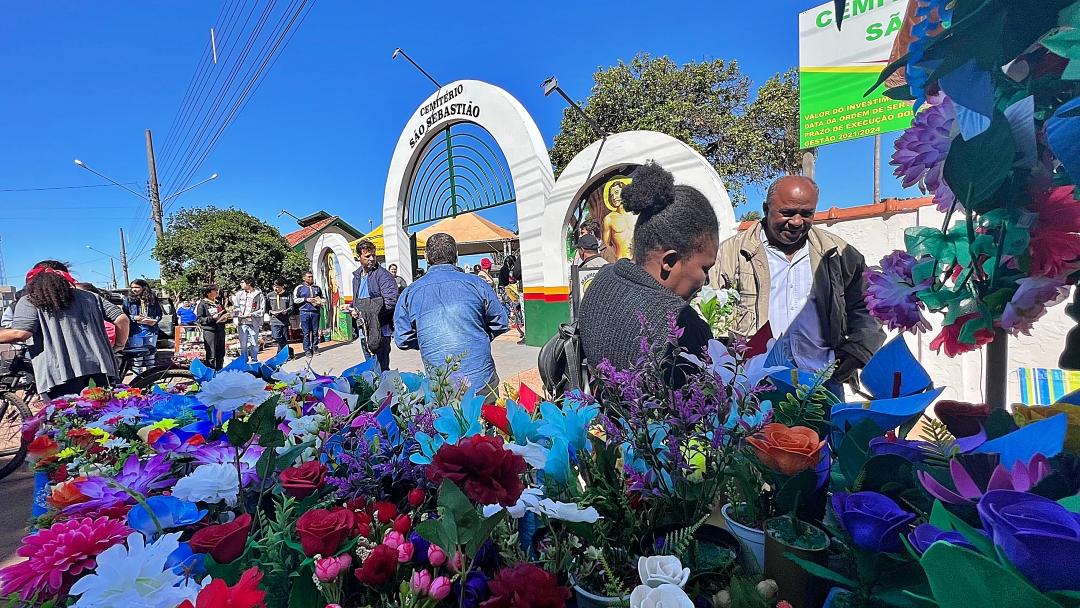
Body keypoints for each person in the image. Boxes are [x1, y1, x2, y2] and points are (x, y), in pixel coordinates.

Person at [711, 175, 886, 397]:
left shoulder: (838, 253)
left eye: (806, 214)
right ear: (766, 208)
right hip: (755, 385)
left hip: (822, 382)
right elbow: (708, 312)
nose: (796, 222)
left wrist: (858, 351)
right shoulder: (730, 254)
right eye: (787, 212)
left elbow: (869, 306)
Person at [578, 162, 716, 379]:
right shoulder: (684, 327)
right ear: (669, 261)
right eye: (705, 268)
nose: (704, 281)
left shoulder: (602, 279)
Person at [395, 233, 508, 401]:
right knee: (490, 425)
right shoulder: (477, 284)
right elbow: (501, 322)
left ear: (426, 257)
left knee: (446, 426)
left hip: (441, 388)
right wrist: (477, 335)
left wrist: (430, 340)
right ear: (456, 255)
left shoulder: (409, 293)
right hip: (482, 381)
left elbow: (402, 339)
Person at [0, 261, 131, 399]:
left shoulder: (31, 300)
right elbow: (122, 319)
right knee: (102, 415)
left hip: (59, 374)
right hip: (100, 368)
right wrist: (119, 345)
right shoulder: (90, 296)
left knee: (66, 418)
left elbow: (21, 333)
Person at [351, 240, 399, 371]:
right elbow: (358, 300)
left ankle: (387, 391)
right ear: (358, 257)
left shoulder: (384, 275)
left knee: (382, 369)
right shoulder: (356, 277)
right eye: (367, 256)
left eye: (373, 255)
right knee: (371, 369)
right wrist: (352, 308)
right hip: (364, 330)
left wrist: (364, 311)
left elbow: (390, 301)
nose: (371, 259)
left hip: (381, 330)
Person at [123, 278, 163, 370]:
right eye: (132, 287)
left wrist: (154, 321)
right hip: (135, 332)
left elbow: (159, 314)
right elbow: (124, 316)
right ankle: (137, 381)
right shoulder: (127, 300)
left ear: (144, 287)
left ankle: (150, 380)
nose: (134, 290)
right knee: (137, 360)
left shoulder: (153, 299)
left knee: (150, 358)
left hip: (151, 331)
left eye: (137, 287)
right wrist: (134, 317)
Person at [195, 284, 229, 370]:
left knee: (220, 353)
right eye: (215, 290)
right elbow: (200, 319)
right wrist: (211, 318)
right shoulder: (202, 304)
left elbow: (223, 313)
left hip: (220, 330)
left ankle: (220, 371)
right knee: (211, 354)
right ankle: (211, 373)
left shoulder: (218, 302)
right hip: (210, 331)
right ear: (208, 293)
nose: (217, 292)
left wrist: (225, 318)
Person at [232, 277, 264, 363]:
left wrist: (253, 314)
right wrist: (238, 313)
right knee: (243, 344)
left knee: (254, 343)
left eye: (243, 282)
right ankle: (244, 360)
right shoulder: (239, 294)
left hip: (254, 323)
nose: (241, 284)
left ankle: (254, 360)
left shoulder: (259, 294)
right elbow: (236, 307)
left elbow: (262, 309)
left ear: (249, 283)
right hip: (242, 323)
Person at [292, 271, 324, 358]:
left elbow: (323, 299)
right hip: (304, 312)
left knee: (315, 332)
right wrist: (306, 299)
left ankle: (315, 348)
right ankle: (307, 350)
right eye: (309, 277)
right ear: (304, 278)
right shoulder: (299, 288)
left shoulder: (317, 288)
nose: (310, 278)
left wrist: (319, 302)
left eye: (311, 277)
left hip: (315, 312)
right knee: (306, 332)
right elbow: (295, 300)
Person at [603, 179, 636, 260]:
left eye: (617, 193)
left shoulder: (637, 215)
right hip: (620, 261)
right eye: (611, 195)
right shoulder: (609, 219)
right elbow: (606, 246)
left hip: (638, 262)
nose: (614, 197)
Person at [267, 279, 294, 356]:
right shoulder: (270, 295)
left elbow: (291, 307)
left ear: (282, 287)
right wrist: (271, 312)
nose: (276, 289)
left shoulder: (288, 295)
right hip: (274, 320)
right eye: (274, 287)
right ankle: (289, 350)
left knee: (284, 338)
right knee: (276, 336)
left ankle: (281, 355)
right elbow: (267, 308)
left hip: (284, 320)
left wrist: (287, 311)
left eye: (278, 287)